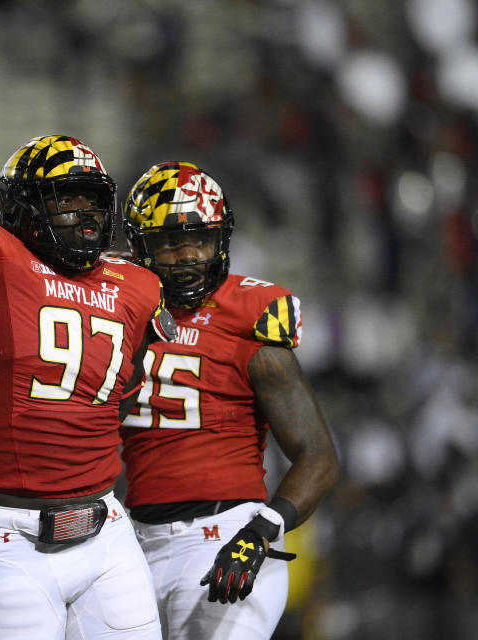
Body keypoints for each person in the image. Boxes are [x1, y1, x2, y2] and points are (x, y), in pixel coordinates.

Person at [0, 27, 178, 640]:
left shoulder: (134, 286)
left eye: (92, 200)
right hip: (10, 538)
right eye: (64, 200)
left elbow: (133, 385)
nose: (85, 214)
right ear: (20, 208)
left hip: (106, 531)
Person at [119, 161, 340, 639]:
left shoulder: (250, 316)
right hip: (131, 544)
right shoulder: (117, 310)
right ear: (140, 247)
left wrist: (262, 531)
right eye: (168, 243)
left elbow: (318, 456)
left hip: (226, 534)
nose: (186, 256)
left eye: (199, 239)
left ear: (222, 239)